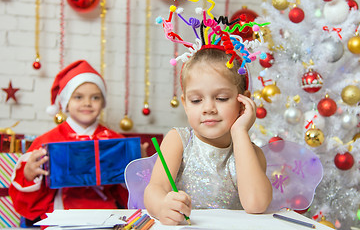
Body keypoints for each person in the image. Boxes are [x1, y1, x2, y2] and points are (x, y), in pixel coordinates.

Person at [144, 47, 273, 225]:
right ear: (185, 103)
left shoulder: (252, 153)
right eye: (196, 100)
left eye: (221, 98)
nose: (208, 108)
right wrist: (162, 206)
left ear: (243, 101)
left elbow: (256, 204)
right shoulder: (178, 140)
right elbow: (155, 189)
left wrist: (240, 132)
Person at [9, 60, 147, 222]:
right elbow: (26, 204)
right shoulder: (47, 141)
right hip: (62, 216)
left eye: (95, 97)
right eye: (78, 97)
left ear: (103, 102)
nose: (87, 103)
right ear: (66, 103)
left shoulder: (115, 140)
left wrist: (138, 166)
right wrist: (29, 174)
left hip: (108, 215)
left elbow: (133, 195)